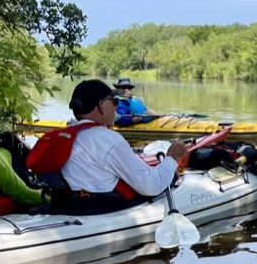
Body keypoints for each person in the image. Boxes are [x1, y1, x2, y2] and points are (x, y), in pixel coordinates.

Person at [32, 79, 187, 214]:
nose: (116, 106)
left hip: (65, 205)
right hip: (98, 211)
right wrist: (172, 157)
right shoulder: (108, 139)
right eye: (114, 101)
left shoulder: (66, 133)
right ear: (101, 105)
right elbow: (151, 186)